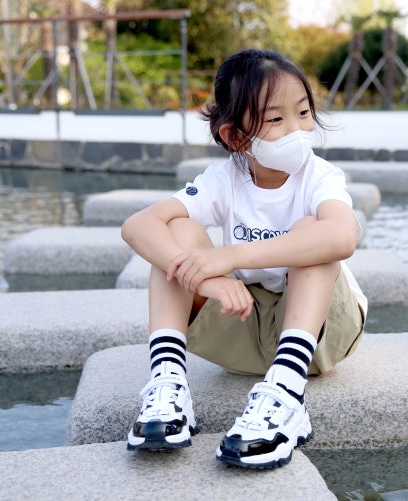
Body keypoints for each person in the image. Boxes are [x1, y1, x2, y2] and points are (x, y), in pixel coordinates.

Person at [121, 48, 368, 470]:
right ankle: (168, 385)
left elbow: (342, 236)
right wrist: (206, 279)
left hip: (319, 337)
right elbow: (138, 225)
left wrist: (229, 257)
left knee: (313, 231)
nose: (297, 130)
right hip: (244, 328)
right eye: (276, 120)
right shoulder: (225, 179)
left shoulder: (320, 177)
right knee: (176, 232)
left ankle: (287, 395)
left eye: (303, 113)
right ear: (237, 137)